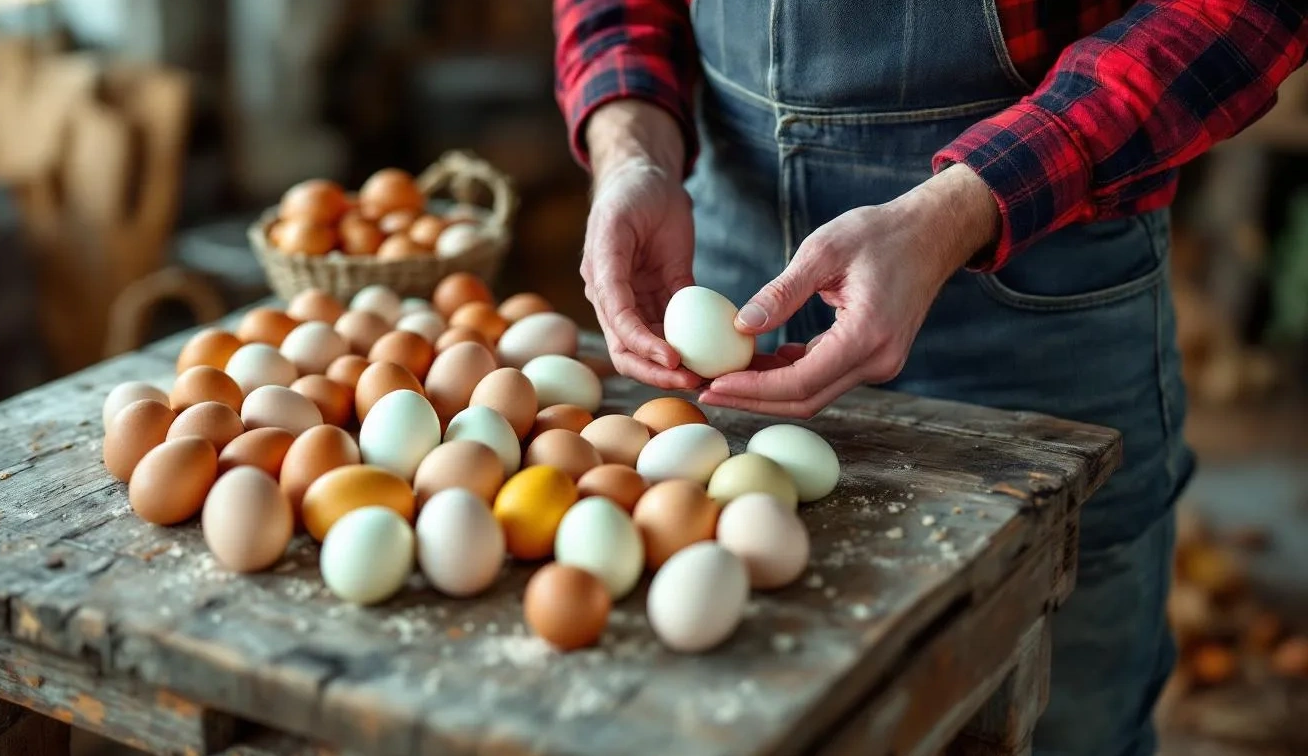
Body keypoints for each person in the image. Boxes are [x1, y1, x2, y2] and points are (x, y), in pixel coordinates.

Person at [553, 1, 1308, 754]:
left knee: (1070, 719)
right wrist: (633, 150)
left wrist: (959, 209)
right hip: (725, 264)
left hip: (1040, 288)